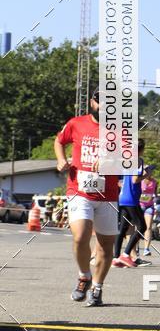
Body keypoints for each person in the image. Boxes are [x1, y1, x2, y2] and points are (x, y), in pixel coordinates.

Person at [54, 88, 120, 306]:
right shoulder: (76, 123)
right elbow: (59, 141)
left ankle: (98, 287)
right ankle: (84, 276)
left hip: (107, 195)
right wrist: (61, 160)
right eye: (100, 101)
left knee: (105, 246)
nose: (104, 106)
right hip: (79, 190)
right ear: (93, 102)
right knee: (80, 236)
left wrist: (111, 162)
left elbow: (131, 160)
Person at [112, 140, 153, 268]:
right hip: (132, 199)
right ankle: (126, 254)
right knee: (142, 227)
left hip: (123, 198)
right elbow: (135, 179)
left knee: (122, 228)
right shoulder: (138, 160)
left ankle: (116, 257)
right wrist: (148, 173)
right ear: (142, 149)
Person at [139, 169, 158, 257]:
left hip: (149, 206)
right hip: (139, 205)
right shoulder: (140, 180)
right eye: (145, 171)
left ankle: (146, 249)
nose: (148, 173)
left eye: (149, 171)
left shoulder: (154, 182)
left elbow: (155, 194)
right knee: (138, 227)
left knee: (148, 227)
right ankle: (136, 247)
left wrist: (155, 201)